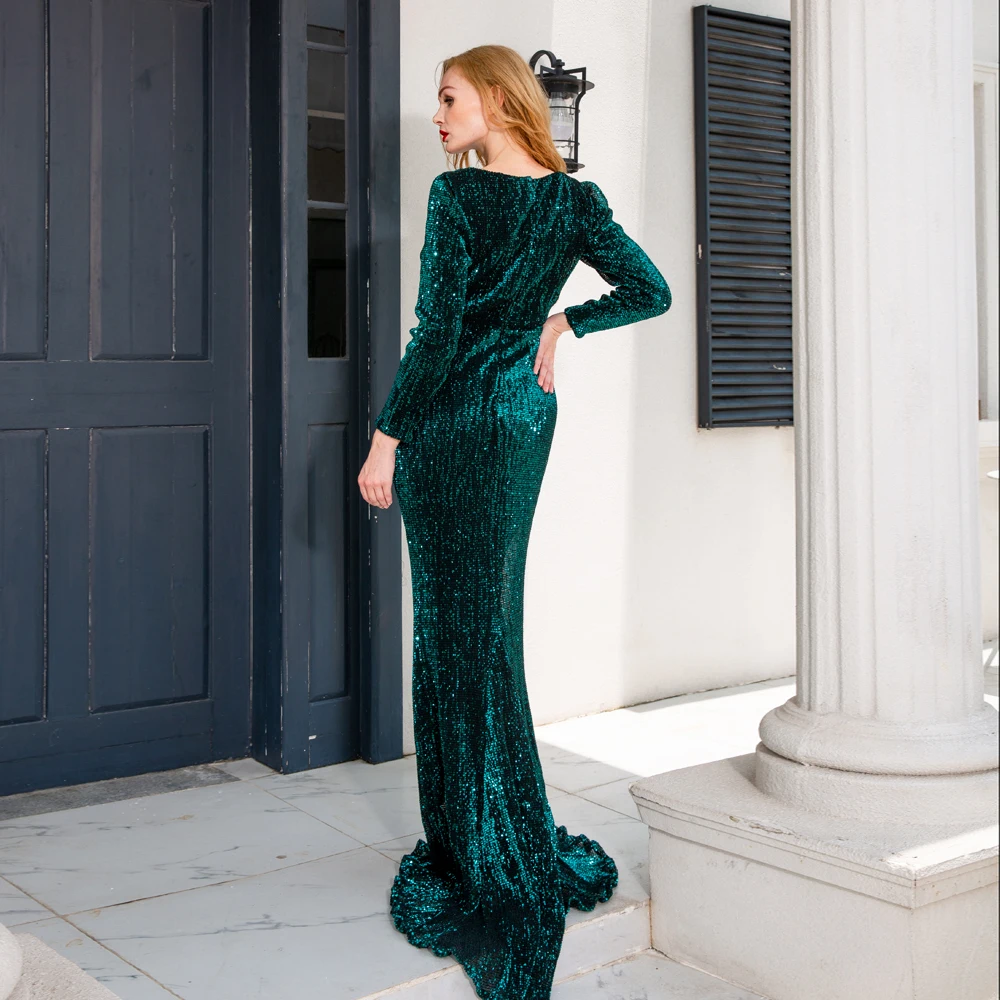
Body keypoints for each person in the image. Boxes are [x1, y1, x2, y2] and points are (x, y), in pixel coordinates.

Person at [356, 43, 671, 1000]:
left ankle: (476, 844)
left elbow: (436, 333)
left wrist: (385, 438)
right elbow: (651, 290)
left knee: (453, 632)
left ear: (497, 99)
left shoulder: (458, 198)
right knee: (490, 624)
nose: (439, 116)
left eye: (449, 98)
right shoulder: (576, 201)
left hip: (453, 419)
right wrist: (560, 323)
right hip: (523, 418)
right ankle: (495, 829)